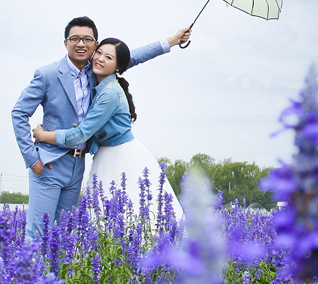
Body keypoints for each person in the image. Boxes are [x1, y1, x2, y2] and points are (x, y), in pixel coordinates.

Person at [12, 16, 190, 241]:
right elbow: (18, 113)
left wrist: (171, 41)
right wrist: (32, 158)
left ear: (94, 45)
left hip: (77, 164)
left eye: (87, 39)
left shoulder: (95, 70)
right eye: (74, 38)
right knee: (37, 234)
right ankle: (29, 277)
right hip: (48, 163)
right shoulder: (47, 75)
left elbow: (129, 57)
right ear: (65, 42)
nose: (81, 44)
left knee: (65, 238)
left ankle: (54, 277)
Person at [32, 37, 176, 225]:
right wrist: (171, 41)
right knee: (106, 215)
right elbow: (135, 56)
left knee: (124, 214)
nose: (100, 59)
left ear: (118, 67)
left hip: (119, 154)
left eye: (108, 57)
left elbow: (81, 134)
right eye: (98, 53)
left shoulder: (109, 94)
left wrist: (44, 136)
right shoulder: (99, 80)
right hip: (107, 152)